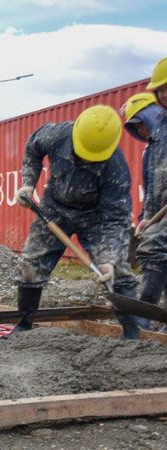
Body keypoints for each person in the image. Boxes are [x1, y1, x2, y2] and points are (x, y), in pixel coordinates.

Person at [10, 105, 140, 339]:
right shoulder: (56, 135)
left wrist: (108, 260)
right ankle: (23, 325)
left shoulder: (116, 168)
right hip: (54, 208)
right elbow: (33, 148)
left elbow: (116, 219)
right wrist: (28, 182)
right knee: (31, 266)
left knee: (118, 272)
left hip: (95, 216)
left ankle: (132, 334)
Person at [132, 58, 167, 323]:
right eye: (161, 90)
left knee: (154, 248)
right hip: (161, 211)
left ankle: (142, 315)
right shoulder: (159, 134)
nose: (165, 94)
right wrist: (146, 216)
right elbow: (154, 185)